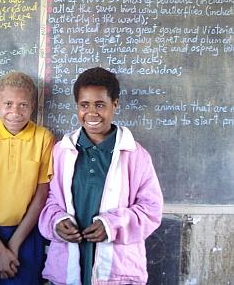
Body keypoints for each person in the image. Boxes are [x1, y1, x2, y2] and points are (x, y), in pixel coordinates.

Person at [38, 67, 163, 285]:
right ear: (77, 106)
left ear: (115, 104)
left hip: (118, 271)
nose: (92, 113)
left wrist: (112, 226)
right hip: (68, 267)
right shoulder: (62, 151)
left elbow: (151, 210)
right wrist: (57, 222)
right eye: (84, 105)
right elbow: (50, 201)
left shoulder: (134, 154)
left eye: (100, 105)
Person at [0, 71, 54, 285]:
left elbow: (41, 194)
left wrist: (13, 246)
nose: (14, 111)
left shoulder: (43, 138)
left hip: (26, 233)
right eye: (8, 104)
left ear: (32, 107)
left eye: (23, 105)